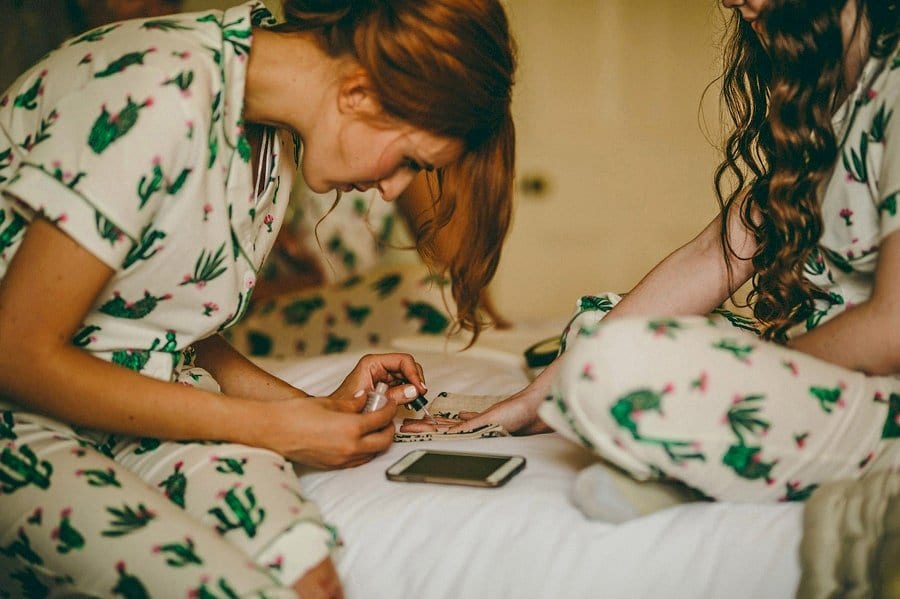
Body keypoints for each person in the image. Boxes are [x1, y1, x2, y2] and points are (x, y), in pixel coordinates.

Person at [0, 0, 515, 597]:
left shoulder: (268, 134)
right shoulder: (157, 89)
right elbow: (16, 352)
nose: (393, 188)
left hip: (125, 410)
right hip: (18, 412)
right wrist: (270, 427)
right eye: (407, 161)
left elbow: (157, 331)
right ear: (360, 93)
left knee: (306, 570)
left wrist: (315, 412)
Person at [406, 0, 900, 510]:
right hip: (817, 374)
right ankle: (695, 459)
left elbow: (892, 329)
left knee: (613, 365)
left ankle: (683, 468)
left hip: (880, 398)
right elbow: (715, 254)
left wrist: (756, 368)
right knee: (595, 329)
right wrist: (529, 405)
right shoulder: (829, 100)